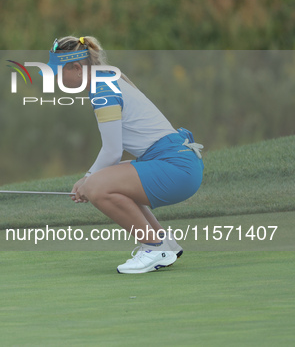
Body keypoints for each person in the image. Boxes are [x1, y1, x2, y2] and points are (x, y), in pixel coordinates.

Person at [46, 36, 204, 274]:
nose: (55, 78)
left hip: (177, 167)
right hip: (181, 163)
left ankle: (154, 248)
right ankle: (164, 241)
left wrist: (87, 180)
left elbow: (112, 150)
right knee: (109, 178)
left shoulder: (103, 90)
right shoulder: (107, 80)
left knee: (97, 186)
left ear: (77, 68)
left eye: (58, 72)